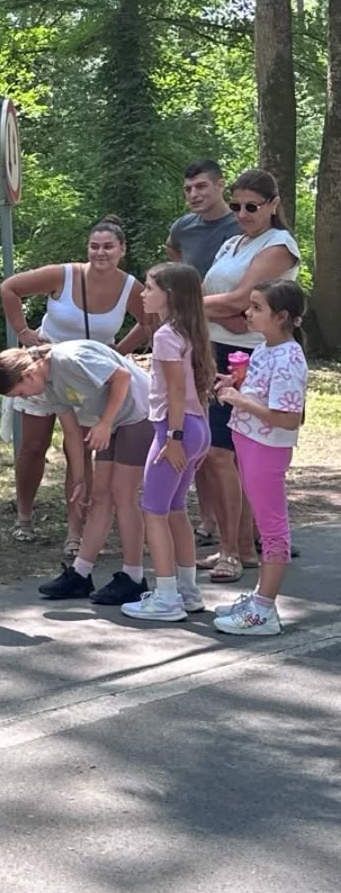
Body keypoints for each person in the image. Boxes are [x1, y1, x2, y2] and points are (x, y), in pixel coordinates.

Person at [0, 215, 149, 554]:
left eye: (108, 247)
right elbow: (10, 288)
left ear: (122, 250)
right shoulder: (64, 275)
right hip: (40, 369)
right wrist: (23, 331)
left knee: (80, 448)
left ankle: (75, 531)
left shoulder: (130, 287)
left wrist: (119, 352)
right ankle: (24, 517)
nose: (100, 253)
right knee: (33, 444)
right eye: (94, 246)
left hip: (88, 376)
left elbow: (149, 321)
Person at [0, 340, 153, 605]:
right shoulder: (47, 386)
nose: (26, 398)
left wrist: (105, 422)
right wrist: (79, 479)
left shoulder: (70, 359)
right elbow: (72, 431)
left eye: (21, 393)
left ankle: (134, 578)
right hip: (113, 422)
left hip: (140, 412)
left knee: (123, 495)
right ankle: (81, 574)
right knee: (99, 497)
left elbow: (121, 376)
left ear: (28, 374)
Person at [198, 168, 300, 584]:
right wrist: (218, 310)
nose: (242, 214)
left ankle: (237, 550)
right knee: (219, 453)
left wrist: (187, 304)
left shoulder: (279, 245)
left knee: (226, 454)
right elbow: (225, 302)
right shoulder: (232, 242)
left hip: (250, 356)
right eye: (236, 205)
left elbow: (244, 301)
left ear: (274, 205)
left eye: (252, 207)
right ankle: (237, 544)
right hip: (215, 349)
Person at [212, 280, 309, 635]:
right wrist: (235, 385)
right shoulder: (266, 348)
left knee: (272, 529)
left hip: (266, 449)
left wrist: (240, 401)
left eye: (256, 308)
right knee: (268, 526)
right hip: (250, 442)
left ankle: (264, 611)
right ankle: (259, 600)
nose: (247, 313)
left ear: (281, 317)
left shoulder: (289, 357)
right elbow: (263, 394)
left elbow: (287, 417)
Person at [119, 263, 214, 622]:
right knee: (175, 510)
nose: (143, 294)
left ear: (169, 294)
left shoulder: (165, 335)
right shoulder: (190, 331)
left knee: (153, 511)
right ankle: (188, 592)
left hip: (174, 430)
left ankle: (166, 598)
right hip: (195, 427)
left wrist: (173, 438)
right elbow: (196, 388)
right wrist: (198, 439)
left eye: (149, 287)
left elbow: (175, 390)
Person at [165, 158, 239, 547]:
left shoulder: (241, 224)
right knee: (205, 436)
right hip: (198, 338)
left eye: (201, 187)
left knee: (238, 442)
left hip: (240, 337)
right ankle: (208, 520)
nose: (194, 194)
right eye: (188, 189)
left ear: (220, 185)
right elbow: (175, 258)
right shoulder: (183, 227)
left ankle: (248, 531)